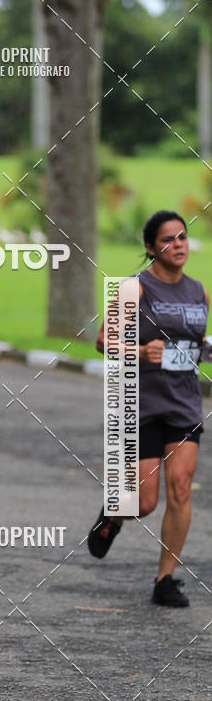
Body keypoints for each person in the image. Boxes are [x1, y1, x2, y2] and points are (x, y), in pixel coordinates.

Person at [87, 210, 209, 607]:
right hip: (140, 405)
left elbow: (194, 344)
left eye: (183, 238)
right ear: (150, 247)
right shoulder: (134, 290)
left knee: (180, 488)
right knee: (143, 501)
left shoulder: (199, 292)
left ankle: (165, 579)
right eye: (168, 239)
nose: (178, 245)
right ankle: (113, 515)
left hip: (185, 405)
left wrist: (205, 350)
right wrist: (141, 350)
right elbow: (104, 342)